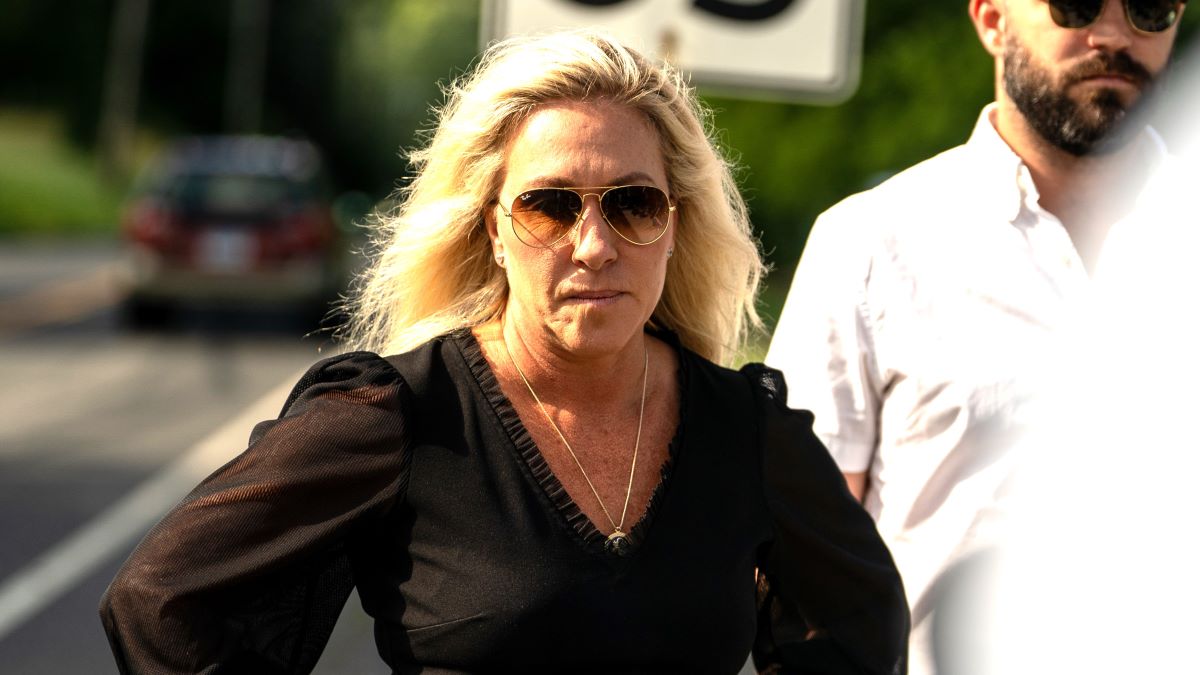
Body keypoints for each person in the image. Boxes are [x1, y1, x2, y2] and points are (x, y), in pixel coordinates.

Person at [99, 30, 908, 674]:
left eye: (633, 203)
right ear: (493, 227)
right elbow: (163, 601)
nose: (594, 245)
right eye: (550, 206)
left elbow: (863, 625)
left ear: (675, 223)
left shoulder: (745, 429)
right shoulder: (401, 413)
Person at [765, 1, 1185, 673]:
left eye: (1151, 8)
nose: (1113, 35)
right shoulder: (872, 244)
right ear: (991, 19)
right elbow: (805, 555)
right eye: (1074, 4)